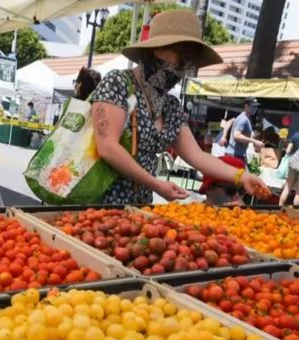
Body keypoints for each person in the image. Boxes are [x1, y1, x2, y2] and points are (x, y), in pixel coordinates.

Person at [90, 9, 268, 204]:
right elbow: (107, 146)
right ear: (154, 49)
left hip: (138, 208)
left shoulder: (170, 106)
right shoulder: (119, 83)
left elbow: (197, 156)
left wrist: (241, 176)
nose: (182, 69)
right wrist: (155, 184)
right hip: (97, 202)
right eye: (180, 56)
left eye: (189, 62)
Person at [224, 97, 264, 163]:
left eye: (256, 107)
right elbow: (236, 136)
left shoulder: (246, 118)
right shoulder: (243, 119)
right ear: (246, 106)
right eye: (253, 107)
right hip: (234, 156)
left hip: (237, 155)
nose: (256, 109)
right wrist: (254, 141)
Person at [279, 130, 299, 206]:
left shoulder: (295, 135)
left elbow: (287, 151)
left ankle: (279, 208)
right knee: (298, 192)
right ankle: (294, 215)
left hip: (293, 163)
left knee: (287, 187)